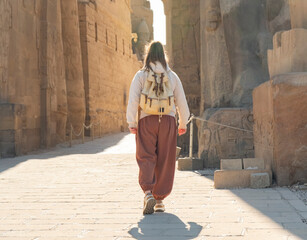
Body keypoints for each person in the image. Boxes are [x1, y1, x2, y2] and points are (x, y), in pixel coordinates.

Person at [126, 41, 190, 214]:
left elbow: (133, 100)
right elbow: (181, 102)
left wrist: (132, 122)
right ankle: (160, 200)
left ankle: (148, 193)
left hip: (146, 120)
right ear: (163, 55)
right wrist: (183, 123)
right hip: (168, 121)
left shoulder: (141, 75)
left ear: (148, 55)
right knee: (165, 159)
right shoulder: (172, 76)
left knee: (146, 155)